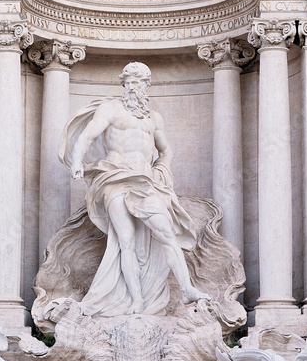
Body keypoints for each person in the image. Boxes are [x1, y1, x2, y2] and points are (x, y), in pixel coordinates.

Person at [60, 61, 209, 316]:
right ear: (123, 84)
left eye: (138, 82)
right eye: (128, 81)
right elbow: (87, 136)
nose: (133, 86)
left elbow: (166, 150)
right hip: (115, 178)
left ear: (146, 86)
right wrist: (76, 162)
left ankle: (187, 289)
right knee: (125, 241)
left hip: (145, 182)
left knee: (167, 232)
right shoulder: (111, 109)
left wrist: (161, 169)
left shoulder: (154, 118)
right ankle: (136, 300)